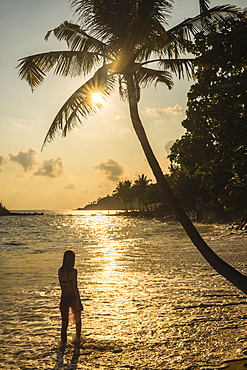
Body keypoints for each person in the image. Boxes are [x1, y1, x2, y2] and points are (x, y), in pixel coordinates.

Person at [58, 250, 83, 345]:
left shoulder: (60, 271)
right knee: (78, 321)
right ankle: (78, 339)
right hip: (73, 298)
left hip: (64, 298)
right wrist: (79, 302)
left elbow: (62, 287)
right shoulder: (73, 271)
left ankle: (63, 344)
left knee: (64, 324)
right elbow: (74, 287)